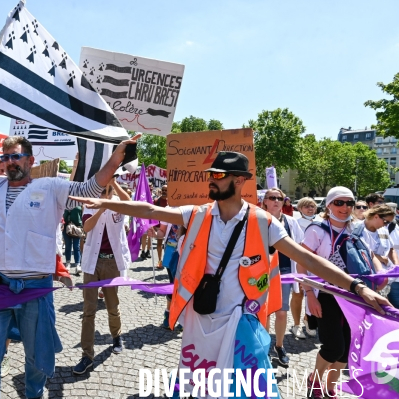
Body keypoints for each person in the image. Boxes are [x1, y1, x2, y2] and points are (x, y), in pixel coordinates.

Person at [71, 152, 391, 398]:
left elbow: (306, 257)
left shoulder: (264, 222)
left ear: (238, 181)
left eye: (219, 175)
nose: (212, 180)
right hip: (200, 322)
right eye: (211, 175)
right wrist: (103, 200)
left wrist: (358, 288)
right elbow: (153, 211)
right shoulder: (196, 214)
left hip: (241, 326)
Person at [0, 127, 140, 399]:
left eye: (16, 157)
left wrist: (115, 159)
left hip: (35, 289)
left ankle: (34, 394)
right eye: (6, 157)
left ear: (30, 161)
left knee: (36, 359)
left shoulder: (51, 186)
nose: (10, 161)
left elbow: (90, 187)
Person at [298, 187, 385, 398]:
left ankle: (330, 386)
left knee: (347, 350)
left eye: (349, 203)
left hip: (354, 296)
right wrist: (309, 294)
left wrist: (380, 275)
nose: (345, 207)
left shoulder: (356, 229)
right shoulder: (316, 230)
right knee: (333, 347)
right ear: (328, 205)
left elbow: (370, 255)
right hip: (326, 295)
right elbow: (301, 262)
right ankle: (314, 380)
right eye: (339, 202)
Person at [73, 179, 131, 375]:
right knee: (88, 309)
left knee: (112, 305)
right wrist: (101, 207)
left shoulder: (117, 201)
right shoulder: (89, 203)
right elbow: (87, 228)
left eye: (107, 187)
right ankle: (86, 355)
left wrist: (113, 186)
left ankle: (116, 335)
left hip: (112, 262)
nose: (104, 191)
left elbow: (128, 201)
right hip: (92, 262)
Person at [261, 188, 305, 366]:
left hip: (285, 272)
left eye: (280, 198)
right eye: (272, 198)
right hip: (261, 273)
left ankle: (279, 346)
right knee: (263, 312)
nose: (276, 201)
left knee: (281, 312)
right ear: (265, 201)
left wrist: (302, 277)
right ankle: (263, 347)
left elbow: (299, 249)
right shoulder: (255, 219)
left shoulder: (291, 222)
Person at [148, 206, 183, 331]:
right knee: (173, 284)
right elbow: (162, 232)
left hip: (191, 251)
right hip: (171, 250)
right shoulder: (169, 208)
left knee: (187, 285)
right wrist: (155, 234)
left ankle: (184, 318)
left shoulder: (198, 205)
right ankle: (169, 314)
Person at [293, 197, 321, 337]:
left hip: (316, 265)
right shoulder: (296, 223)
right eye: (306, 206)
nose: (310, 209)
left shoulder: (320, 223)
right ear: (300, 209)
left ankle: (307, 319)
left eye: (312, 206)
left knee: (313, 294)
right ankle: (296, 324)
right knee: (298, 294)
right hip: (300, 263)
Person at [63, 205, 83, 275]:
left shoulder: (80, 203)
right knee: (68, 246)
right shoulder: (66, 202)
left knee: (76, 247)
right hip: (67, 227)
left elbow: (82, 214)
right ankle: (68, 263)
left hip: (77, 227)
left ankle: (78, 265)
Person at [154, 184, 168, 269]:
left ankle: (167, 260)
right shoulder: (156, 201)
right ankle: (160, 261)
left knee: (168, 244)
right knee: (159, 244)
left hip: (169, 226)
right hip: (159, 226)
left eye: (166, 190)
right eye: (163, 190)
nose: (164, 192)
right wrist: (154, 225)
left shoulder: (171, 201)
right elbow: (153, 213)